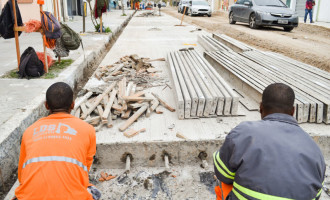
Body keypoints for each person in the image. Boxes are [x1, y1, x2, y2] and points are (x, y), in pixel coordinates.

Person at [213, 83, 325, 200]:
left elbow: (224, 175)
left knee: (222, 181)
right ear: (293, 111)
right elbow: (316, 195)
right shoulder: (314, 149)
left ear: (261, 108)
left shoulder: (244, 132)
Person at [14, 82, 100, 200]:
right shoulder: (87, 130)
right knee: (94, 192)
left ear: (46, 106)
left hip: (30, 197)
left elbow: (21, 176)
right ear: (72, 105)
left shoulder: (29, 131)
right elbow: (85, 168)